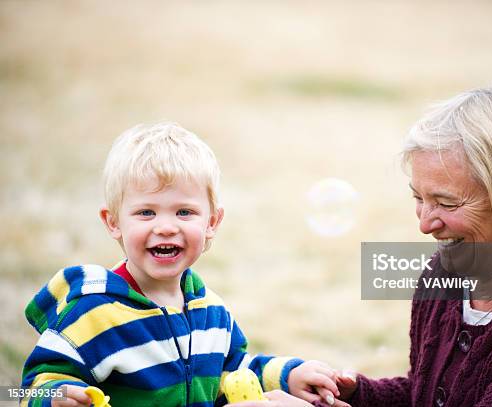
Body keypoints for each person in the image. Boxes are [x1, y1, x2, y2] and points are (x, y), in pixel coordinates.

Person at [228, 84, 492, 407]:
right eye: (419, 197)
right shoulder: (445, 276)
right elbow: (427, 393)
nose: (426, 224)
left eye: (446, 203)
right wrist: (357, 394)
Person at [20, 122, 343, 407]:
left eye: (184, 212)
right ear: (113, 222)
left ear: (212, 222)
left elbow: (235, 372)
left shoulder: (212, 313)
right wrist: (56, 395)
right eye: (146, 212)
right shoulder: (93, 311)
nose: (165, 227)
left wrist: (288, 376)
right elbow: (21, 391)